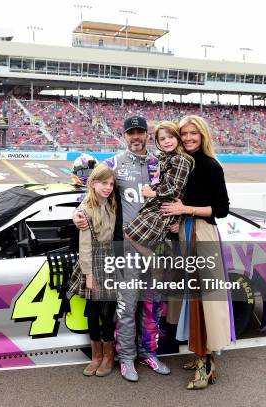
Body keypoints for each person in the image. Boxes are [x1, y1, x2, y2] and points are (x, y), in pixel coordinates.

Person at [73, 116, 170, 382]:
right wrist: (78, 213)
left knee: (152, 307)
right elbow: (94, 189)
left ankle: (147, 352)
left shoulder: (159, 163)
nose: (136, 136)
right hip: (128, 251)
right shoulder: (114, 163)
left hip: (156, 249)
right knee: (126, 308)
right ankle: (126, 358)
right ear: (125, 136)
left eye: (140, 132)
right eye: (131, 133)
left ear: (147, 135)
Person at [160, 115, 235, 390]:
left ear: (202, 135)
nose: (189, 138)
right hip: (184, 233)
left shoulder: (210, 166)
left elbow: (222, 209)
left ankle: (206, 365)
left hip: (201, 234)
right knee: (191, 300)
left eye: (194, 133)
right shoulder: (181, 163)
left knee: (204, 301)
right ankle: (201, 355)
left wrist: (185, 210)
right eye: (184, 133)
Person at [74, 163, 117, 377]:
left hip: (111, 262)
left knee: (107, 312)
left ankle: (109, 357)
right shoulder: (85, 210)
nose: (108, 187)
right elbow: (85, 245)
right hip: (93, 263)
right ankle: (96, 356)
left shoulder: (111, 203)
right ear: (92, 183)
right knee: (93, 312)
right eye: (103, 183)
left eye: (111, 184)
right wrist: (89, 274)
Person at [125, 121, 193, 245]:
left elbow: (175, 188)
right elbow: (158, 179)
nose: (167, 141)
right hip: (157, 209)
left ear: (178, 138)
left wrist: (153, 193)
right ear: (158, 142)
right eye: (162, 139)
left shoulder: (180, 159)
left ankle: (159, 263)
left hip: (163, 211)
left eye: (171, 137)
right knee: (151, 244)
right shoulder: (163, 158)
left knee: (129, 235)